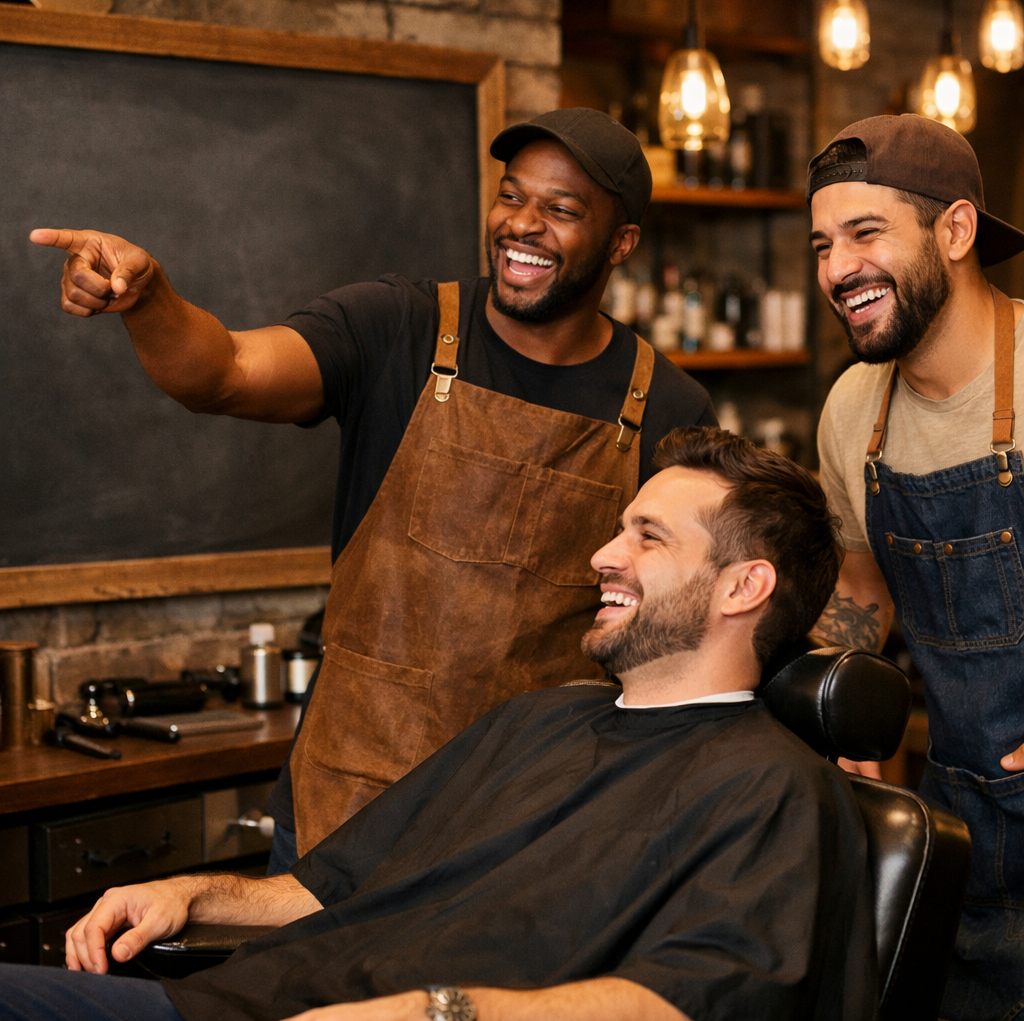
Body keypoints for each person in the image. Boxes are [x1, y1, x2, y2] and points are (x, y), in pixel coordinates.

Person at [30, 108, 716, 869]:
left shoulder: (667, 406)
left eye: (561, 210)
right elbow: (221, 374)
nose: (522, 225)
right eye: (512, 196)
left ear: (622, 242)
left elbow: (682, 628)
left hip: (531, 823)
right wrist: (149, 297)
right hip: (350, 804)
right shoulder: (399, 327)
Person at [0, 427, 875, 1021]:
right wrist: (194, 892)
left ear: (742, 587)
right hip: (237, 1002)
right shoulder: (541, 720)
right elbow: (330, 886)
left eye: (648, 536)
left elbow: (692, 999)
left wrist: (443, 1011)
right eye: (619, 529)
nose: (604, 554)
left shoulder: (772, 789)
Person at [807, 113, 1024, 1020]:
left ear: (957, 230)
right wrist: (838, 711)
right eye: (822, 244)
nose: (835, 269)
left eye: (865, 234)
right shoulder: (855, 410)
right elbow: (861, 589)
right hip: (959, 823)